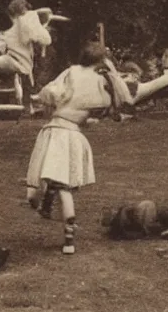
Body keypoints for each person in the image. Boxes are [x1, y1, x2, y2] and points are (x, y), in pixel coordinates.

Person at [25, 41, 133, 254]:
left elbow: (50, 94)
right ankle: (69, 238)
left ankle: (41, 202)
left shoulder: (72, 72)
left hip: (56, 130)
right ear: (102, 61)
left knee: (39, 179)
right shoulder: (103, 82)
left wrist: (40, 98)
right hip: (75, 135)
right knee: (65, 185)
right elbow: (120, 103)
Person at [0, 0, 52, 114]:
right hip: (22, 65)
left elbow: (44, 17)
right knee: (17, 79)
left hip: (15, 62)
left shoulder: (23, 22)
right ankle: (26, 105)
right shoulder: (27, 22)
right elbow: (45, 16)